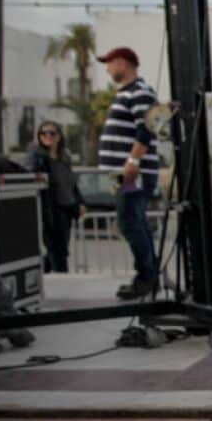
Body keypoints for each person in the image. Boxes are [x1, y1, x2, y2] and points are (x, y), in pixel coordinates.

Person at [96, 46, 160, 300]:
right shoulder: (126, 93)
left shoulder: (140, 92)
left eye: (110, 63)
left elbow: (148, 128)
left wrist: (133, 161)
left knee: (130, 222)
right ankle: (149, 274)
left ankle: (146, 276)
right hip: (122, 172)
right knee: (134, 221)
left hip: (133, 171)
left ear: (124, 63)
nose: (108, 69)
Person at [26, 120, 85, 273]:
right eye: (43, 133)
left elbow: (71, 183)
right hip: (50, 208)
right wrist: (36, 151)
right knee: (56, 248)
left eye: (52, 133)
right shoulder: (38, 155)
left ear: (59, 136)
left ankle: (43, 270)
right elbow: (32, 172)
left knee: (61, 247)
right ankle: (62, 277)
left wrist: (80, 202)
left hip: (67, 207)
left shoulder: (64, 157)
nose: (47, 136)